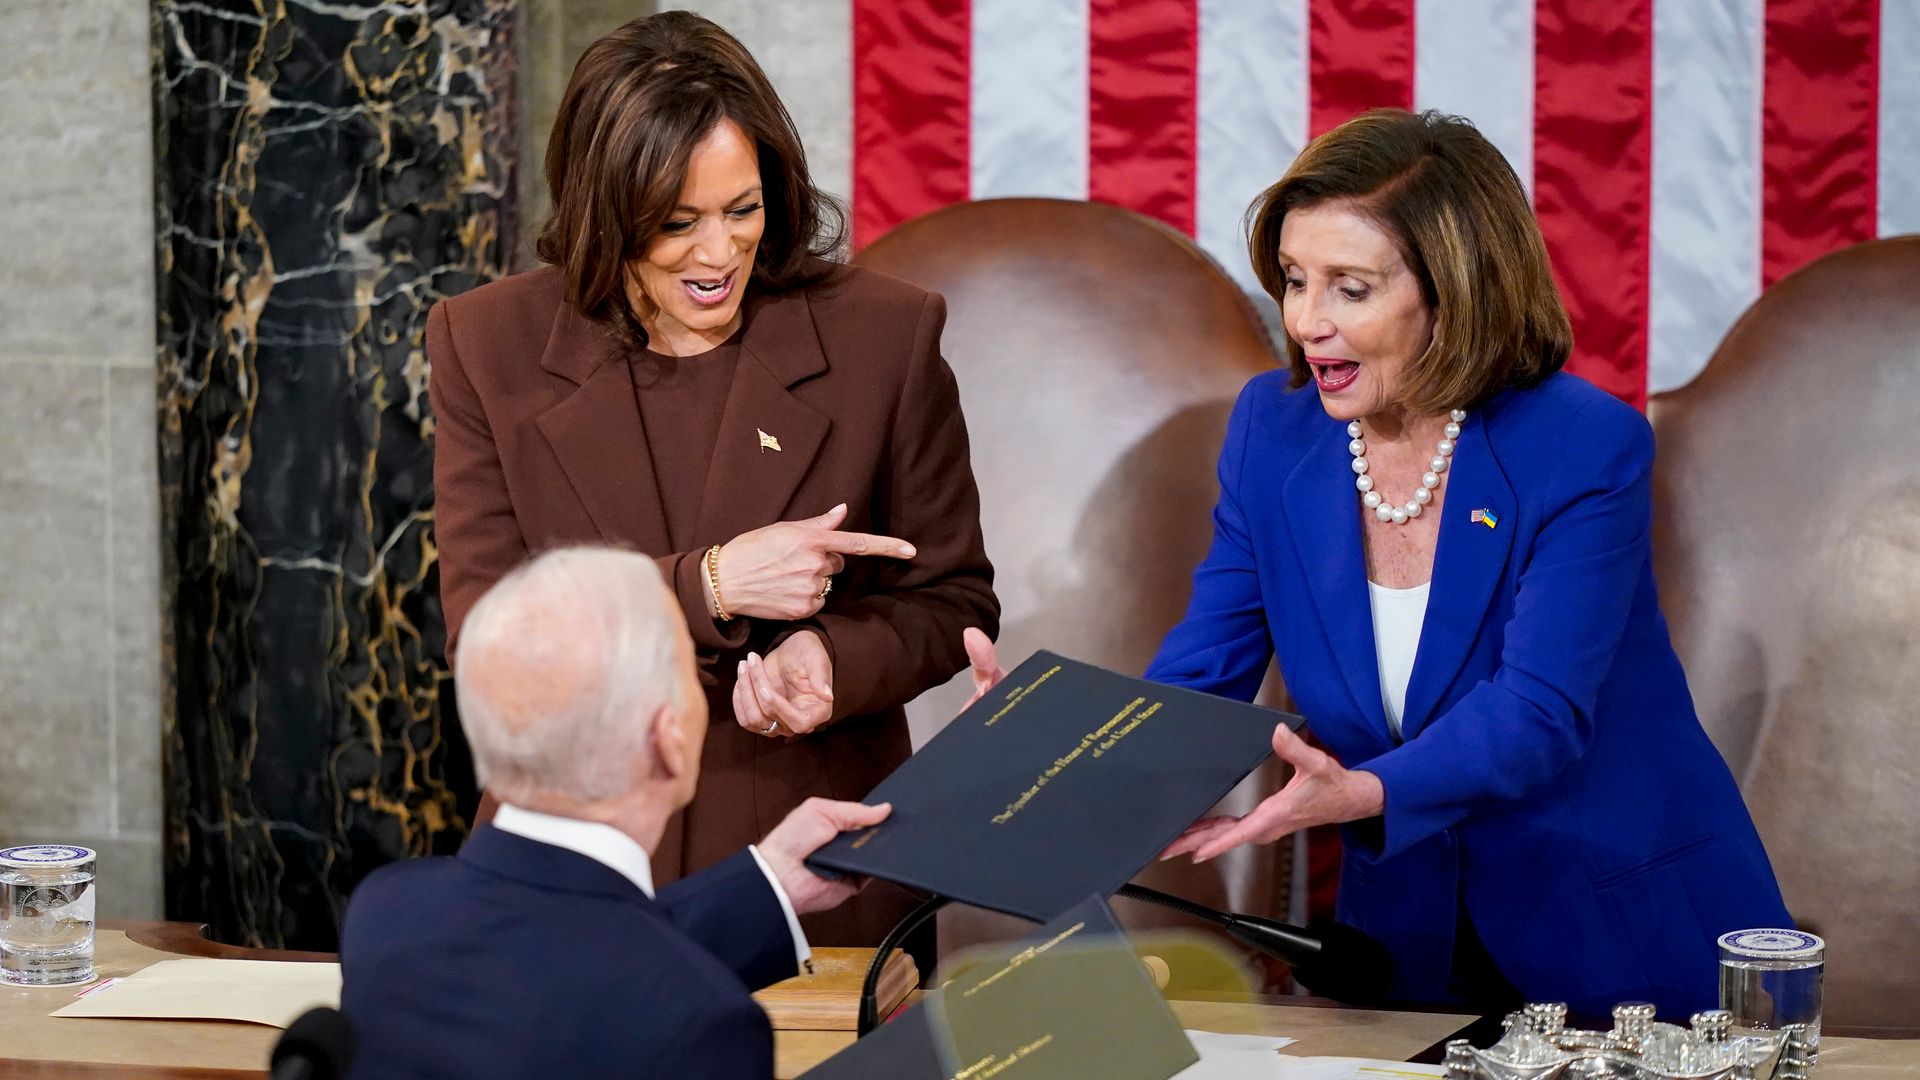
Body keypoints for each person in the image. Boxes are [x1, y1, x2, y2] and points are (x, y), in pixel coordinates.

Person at [969, 109, 1789, 1017]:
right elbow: (1204, 670)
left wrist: (1362, 790)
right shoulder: (1272, 434)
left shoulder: (1583, 444)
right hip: (1408, 944)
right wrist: (1053, 748)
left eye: (1350, 289)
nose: (1307, 321)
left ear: (1455, 291)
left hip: (1616, 928)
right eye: (1292, 280)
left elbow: (1539, 712)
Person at [428, 11, 998, 946]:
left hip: (814, 872)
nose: (718, 255)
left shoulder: (882, 337)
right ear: (600, 209)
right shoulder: (486, 344)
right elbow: (487, 638)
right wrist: (711, 583)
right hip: (576, 877)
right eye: (675, 224)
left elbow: (953, 599)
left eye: (743, 210)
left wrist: (834, 659)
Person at [340, 547, 891, 1078]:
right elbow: (611, 968)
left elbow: (565, 957)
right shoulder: (706, 1023)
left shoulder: (385, 911)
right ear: (668, 739)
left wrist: (769, 883)